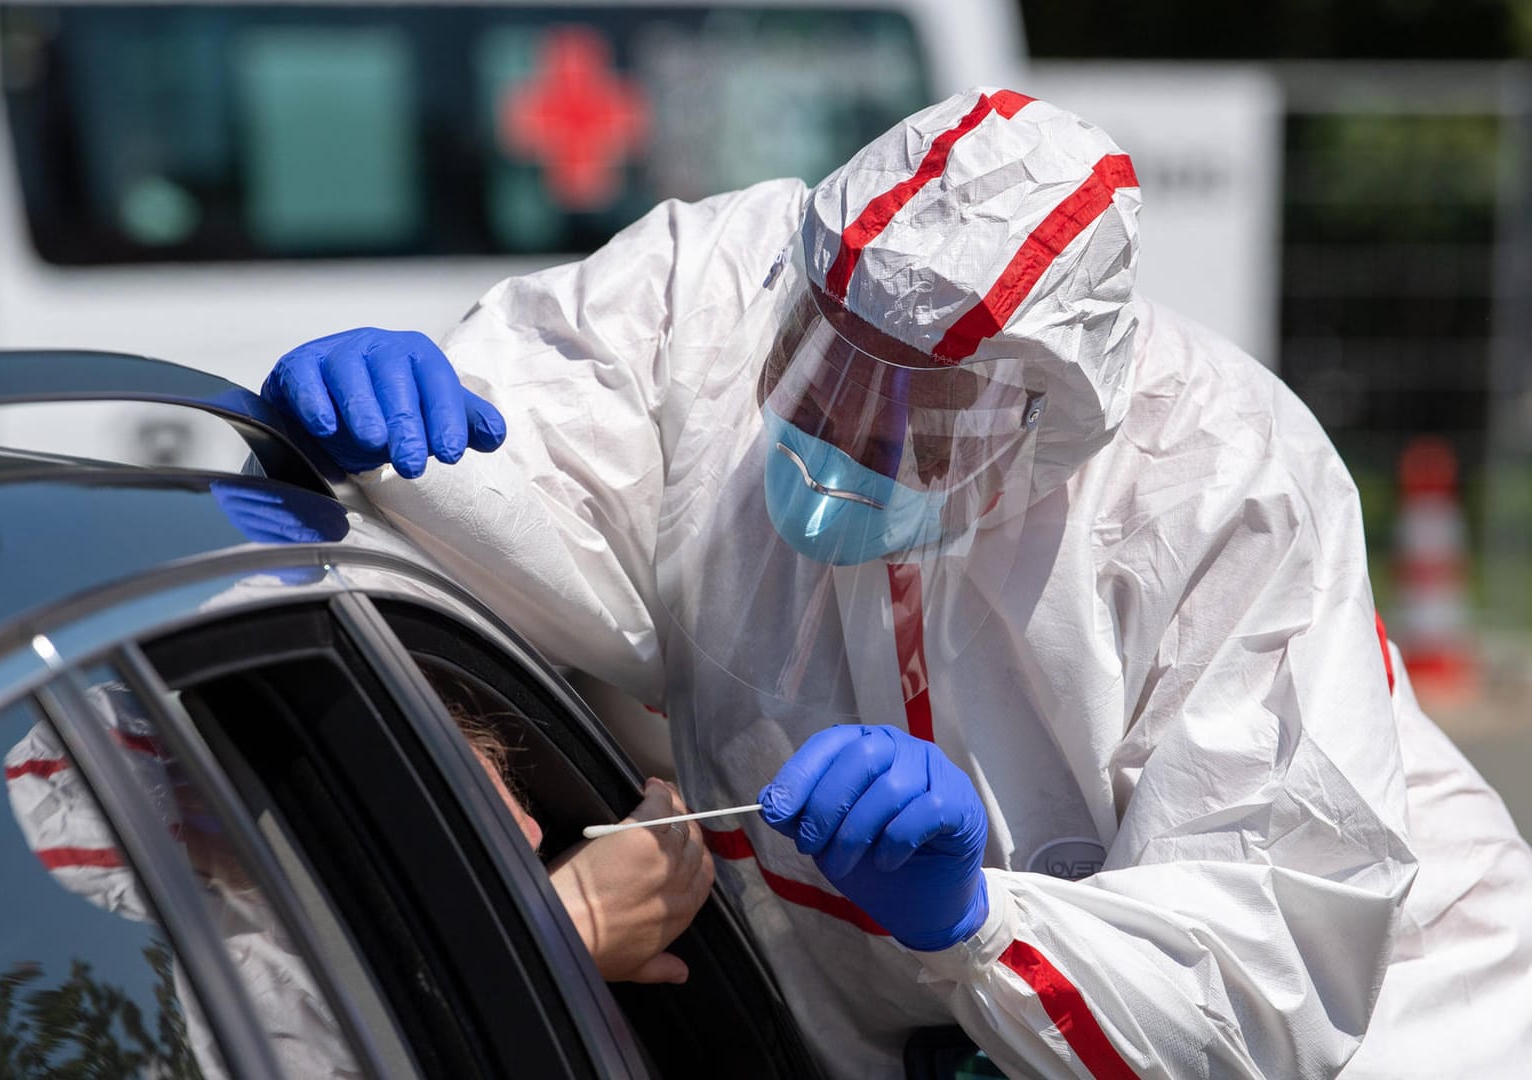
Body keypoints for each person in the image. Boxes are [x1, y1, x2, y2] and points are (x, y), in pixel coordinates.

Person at [260, 87, 1532, 1078]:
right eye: (825, 361)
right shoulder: (713, 287)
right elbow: (541, 481)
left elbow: (1265, 970)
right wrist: (416, 451)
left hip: (1391, 1029)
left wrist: (980, 915)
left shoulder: (1220, 485)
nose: (850, 432)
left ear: (1053, 411)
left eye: (927, 411)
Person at [3, 666, 712, 1076]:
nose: (530, 834)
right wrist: (557, 939)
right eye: (443, 806)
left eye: (520, 844)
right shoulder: (201, 986)